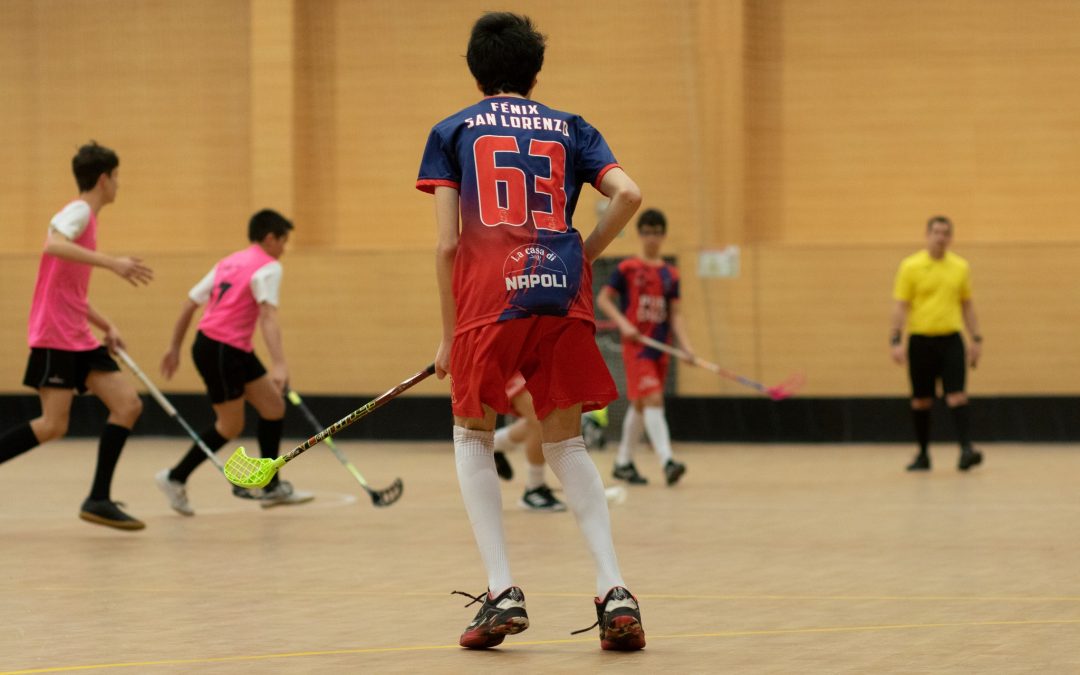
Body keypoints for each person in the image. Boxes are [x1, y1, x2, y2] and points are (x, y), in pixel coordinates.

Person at [417, 12, 646, 651]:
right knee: (567, 441)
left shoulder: (452, 129)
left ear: (476, 72)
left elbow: (446, 245)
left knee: (473, 433)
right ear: (534, 72)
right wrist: (587, 253)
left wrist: (448, 334)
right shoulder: (572, 127)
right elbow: (628, 194)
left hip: (488, 298)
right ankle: (615, 590)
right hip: (560, 291)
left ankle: (501, 591)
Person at [0, 141, 153, 530]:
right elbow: (53, 244)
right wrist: (112, 264)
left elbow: (67, 290)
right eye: (117, 178)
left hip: (77, 333)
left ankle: (98, 499)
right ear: (104, 179)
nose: (119, 185)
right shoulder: (79, 210)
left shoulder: (89, 219)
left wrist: (106, 325)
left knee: (127, 405)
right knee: (53, 425)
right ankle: (98, 497)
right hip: (54, 334)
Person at [155, 209, 313, 515]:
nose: (284, 249)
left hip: (228, 347)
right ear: (270, 238)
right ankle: (174, 478)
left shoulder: (229, 262)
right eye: (283, 241)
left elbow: (190, 303)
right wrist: (280, 364)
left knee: (273, 408)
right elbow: (267, 316)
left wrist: (175, 347)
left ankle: (271, 488)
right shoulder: (269, 267)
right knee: (230, 425)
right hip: (220, 349)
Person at [596, 208, 691, 487]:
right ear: (640, 234)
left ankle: (623, 461)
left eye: (657, 232)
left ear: (663, 235)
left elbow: (676, 314)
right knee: (653, 400)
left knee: (640, 405)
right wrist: (624, 324)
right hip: (637, 347)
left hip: (660, 347)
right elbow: (603, 299)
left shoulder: (670, 274)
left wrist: (686, 348)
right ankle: (667, 461)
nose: (652, 238)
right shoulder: (627, 268)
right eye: (647, 232)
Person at [890, 215, 984, 472]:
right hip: (920, 339)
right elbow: (901, 305)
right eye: (936, 232)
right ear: (927, 235)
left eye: (945, 233)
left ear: (950, 237)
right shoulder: (910, 266)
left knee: (957, 395)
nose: (940, 238)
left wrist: (976, 337)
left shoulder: (960, 267)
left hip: (951, 339)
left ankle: (966, 450)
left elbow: (967, 305)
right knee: (921, 400)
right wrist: (895, 338)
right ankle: (923, 454)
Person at [492, 373, 567, 512]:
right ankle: (534, 488)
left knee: (541, 421)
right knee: (541, 419)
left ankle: (494, 444)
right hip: (511, 362)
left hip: (538, 358)